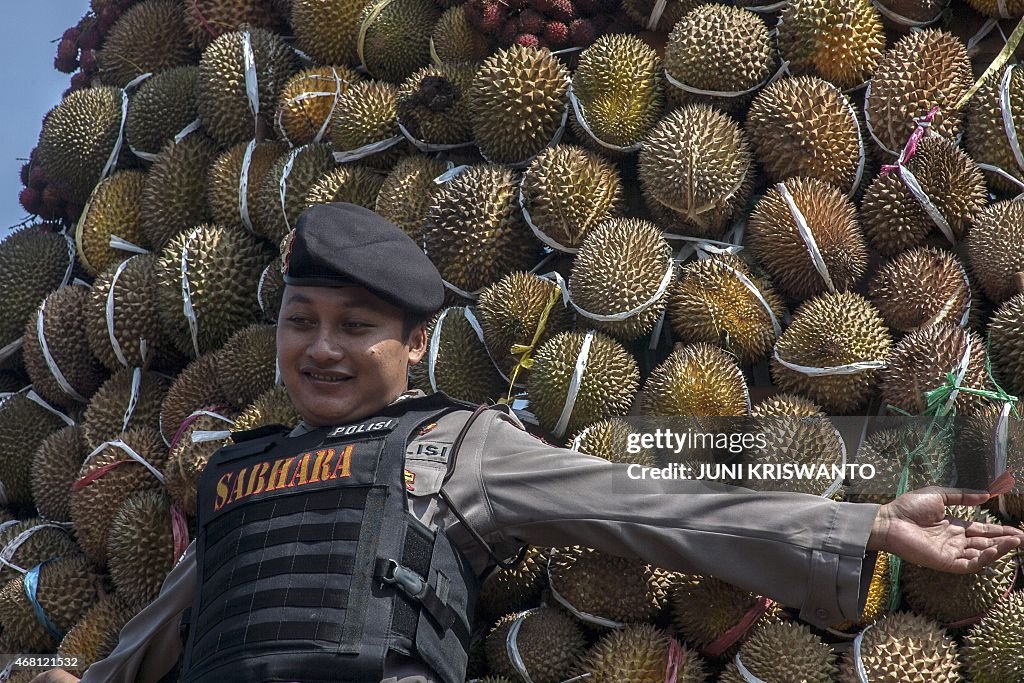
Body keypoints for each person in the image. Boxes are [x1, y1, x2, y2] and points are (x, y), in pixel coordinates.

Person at [32, 203, 1024, 683]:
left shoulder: (455, 443)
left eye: (355, 326)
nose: (322, 347)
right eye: (303, 321)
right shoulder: (239, 478)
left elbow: (646, 505)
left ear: (413, 344)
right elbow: (151, 640)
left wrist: (872, 521)